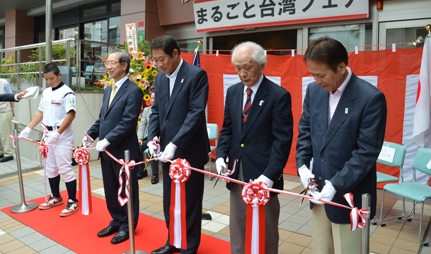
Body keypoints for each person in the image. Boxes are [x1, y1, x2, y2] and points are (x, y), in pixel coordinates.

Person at [296, 37, 387, 254]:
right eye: (312, 74)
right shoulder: (314, 91)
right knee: (320, 249)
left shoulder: (370, 98)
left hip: (349, 196)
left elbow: (366, 152)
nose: (317, 80)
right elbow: (305, 132)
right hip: (318, 193)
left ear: (341, 67)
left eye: (321, 74)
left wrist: (335, 185)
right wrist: (302, 166)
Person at [215, 41, 293, 254]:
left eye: (247, 67)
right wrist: (221, 156)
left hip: (263, 174)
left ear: (261, 65)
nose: (242, 73)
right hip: (237, 169)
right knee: (238, 225)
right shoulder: (232, 92)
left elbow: (282, 141)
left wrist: (269, 175)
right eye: (238, 67)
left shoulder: (278, 96)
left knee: (265, 228)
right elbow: (228, 129)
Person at [147, 35, 209, 254]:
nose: (158, 64)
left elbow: (195, 113)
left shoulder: (196, 75)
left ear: (175, 53)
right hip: (166, 152)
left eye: (161, 59)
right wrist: (152, 137)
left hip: (189, 150)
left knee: (190, 201)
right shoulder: (160, 78)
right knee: (169, 200)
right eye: (155, 60)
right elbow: (156, 111)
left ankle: (189, 246)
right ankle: (173, 240)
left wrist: (175, 143)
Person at [83, 49, 143, 245]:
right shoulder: (109, 89)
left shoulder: (134, 91)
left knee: (126, 190)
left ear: (124, 65)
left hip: (123, 152)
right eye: (107, 63)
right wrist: (90, 135)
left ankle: (128, 225)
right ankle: (117, 220)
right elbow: (103, 118)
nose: (107, 67)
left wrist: (107, 139)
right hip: (107, 152)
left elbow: (128, 121)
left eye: (112, 63)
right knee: (110, 188)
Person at [18, 63, 79, 216]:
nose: (49, 81)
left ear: (59, 75)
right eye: (46, 79)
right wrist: (29, 128)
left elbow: (71, 114)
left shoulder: (67, 93)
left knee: (64, 167)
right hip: (47, 134)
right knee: (50, 167)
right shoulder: (45, 93)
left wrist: (58, 133)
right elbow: (40, 112)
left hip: (61, 135)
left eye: (52, 78)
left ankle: (72, 200)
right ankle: (56, 196)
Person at [137, 92, 160, 183]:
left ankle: (155, 174)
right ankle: (141, 171)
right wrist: (140, 138)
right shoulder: (147, 110)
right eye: (151, 98)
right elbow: (142, 124)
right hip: (147, 137)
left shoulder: (163, 110)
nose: (152, 100)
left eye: (154, 98)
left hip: (159, 139)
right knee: (136, 147)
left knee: (153, 149)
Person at [0, 79, 17, 163]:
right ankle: (1, 152)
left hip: (4, 111)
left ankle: (8, 154)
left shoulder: (4, 83)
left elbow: (10, 97)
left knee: (5, 133)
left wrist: (12, 109)